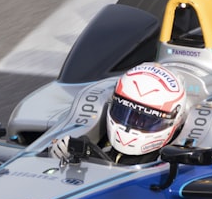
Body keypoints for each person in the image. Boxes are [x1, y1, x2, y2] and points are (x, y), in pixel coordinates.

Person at [52, 63, 188, 164]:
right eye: (124, 112)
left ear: (174, 119)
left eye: (145, 120)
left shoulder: (173, 163)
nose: (130, 126)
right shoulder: (103, 142)